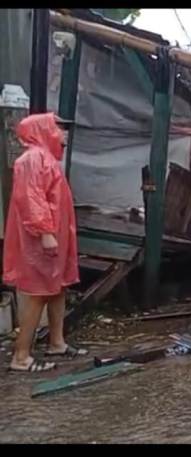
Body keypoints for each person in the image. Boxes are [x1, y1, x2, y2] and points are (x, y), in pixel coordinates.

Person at [4, 112, 87, 372]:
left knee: (58, 287)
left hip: (55, 235)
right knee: (39, 292)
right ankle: (21, 356)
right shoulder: (32, 159)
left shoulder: (46, 158)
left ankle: (57, 342)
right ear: (44, 130)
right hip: (41, 239)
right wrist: (45, 233)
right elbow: (31, 198)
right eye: (59, 128)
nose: (64, 134)